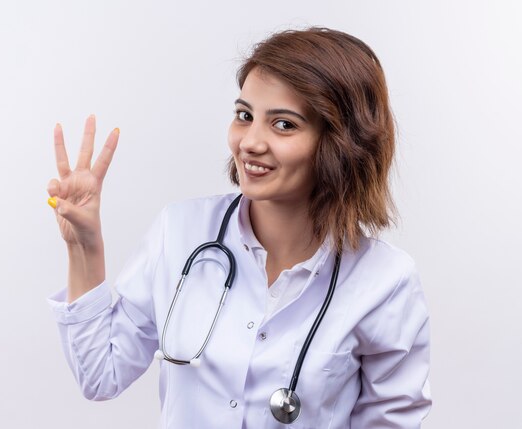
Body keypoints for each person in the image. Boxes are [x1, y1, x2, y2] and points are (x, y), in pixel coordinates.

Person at [46, 27, 431, 428]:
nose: (249, 142)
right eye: (244, 116)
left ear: (340, 142)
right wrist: (84, 246)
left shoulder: (385, 283)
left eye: (284, 125)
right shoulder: (179, 231)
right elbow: (100, 377)